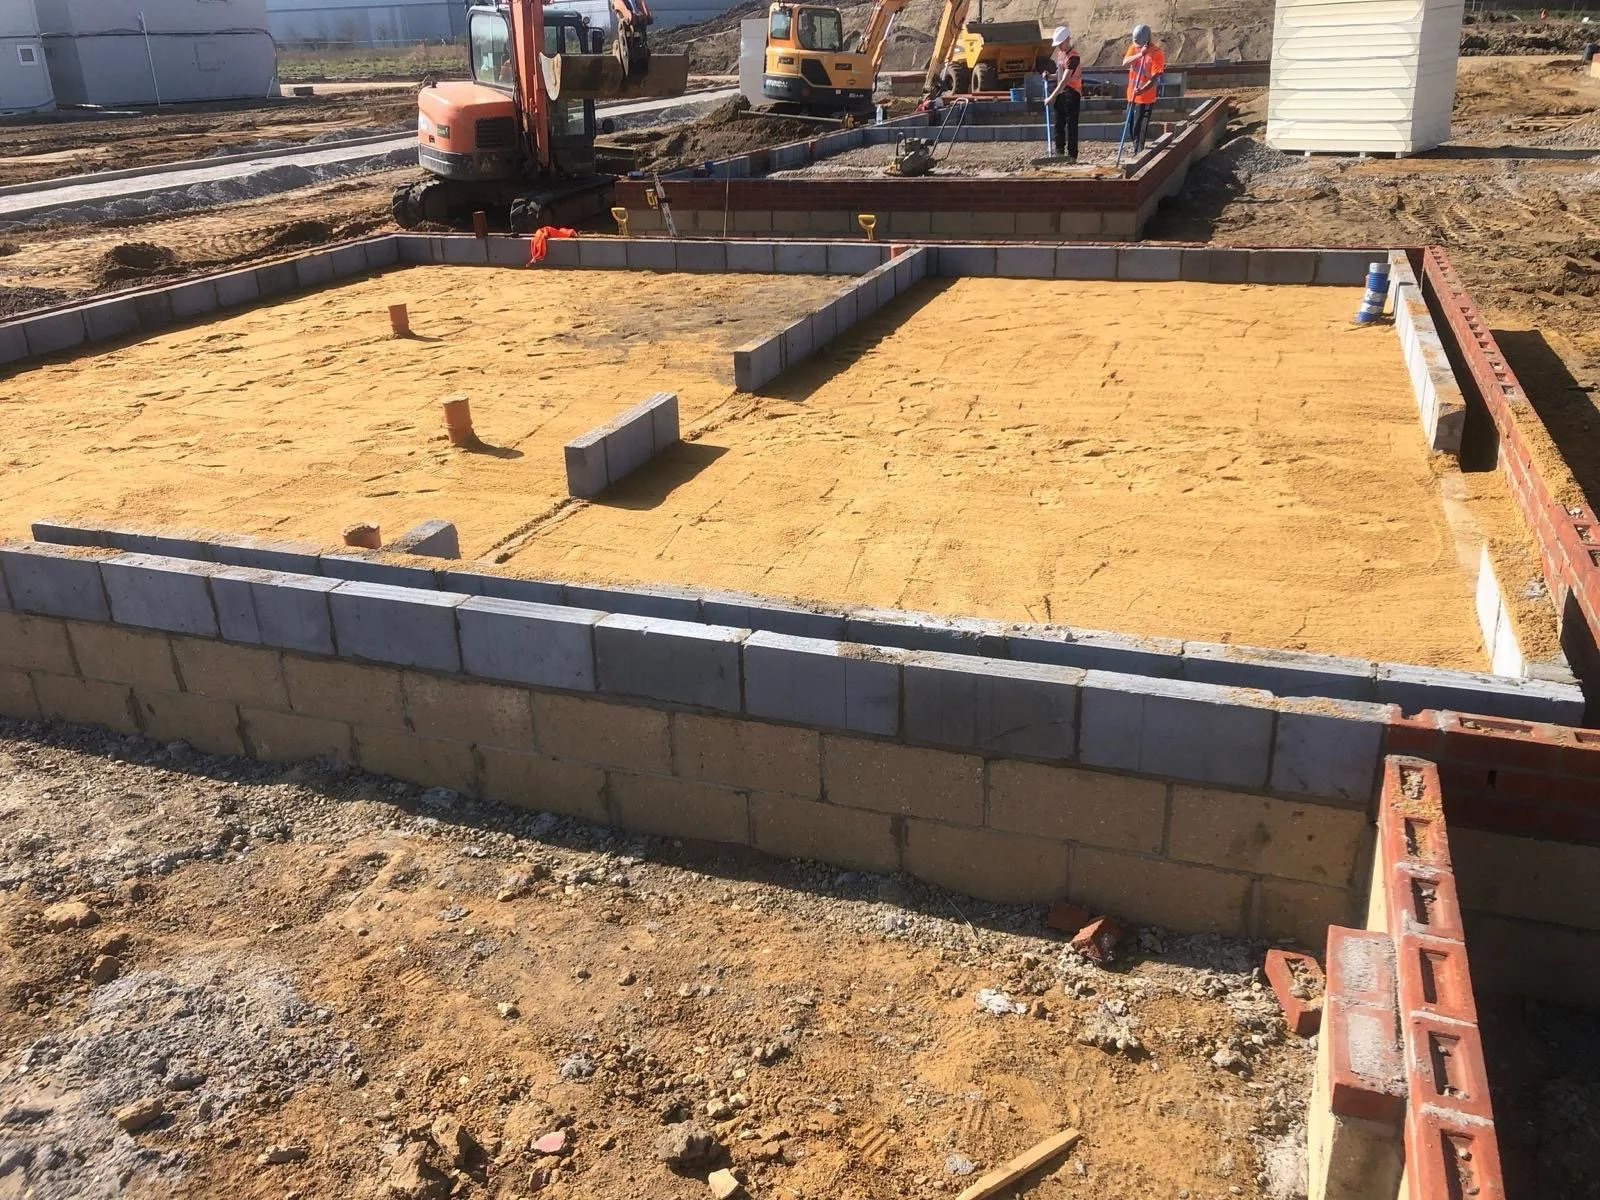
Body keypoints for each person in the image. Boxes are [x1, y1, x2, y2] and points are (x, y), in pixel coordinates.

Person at [1121, 24, 1164, 155]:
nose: (1137, 45)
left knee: (1139, 127)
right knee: (1131, 125)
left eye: (1140, 44)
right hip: (1131, 95)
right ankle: (1136, 148)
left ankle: (1138, 152)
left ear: (1147, 40)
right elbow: (1125, 62)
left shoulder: (1157, 54)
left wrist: (1142, 90)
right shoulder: (1134, 48)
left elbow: (1154, 78)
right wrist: (1140, 54)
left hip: (1145, 98)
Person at [1044, 25, 1082, 162]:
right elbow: (1059, 75)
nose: (1059, 47)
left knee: (1071, 124)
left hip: (1072, 93)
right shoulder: (1061, 55)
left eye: (1061, 44)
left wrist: (1050, 97)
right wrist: (1050, 76)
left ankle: (1072, 155)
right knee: (1058, 122)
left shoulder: (1073, 58)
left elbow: (1065, 80)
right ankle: (1059, 151)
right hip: (1062, 92)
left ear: (1067, 40)